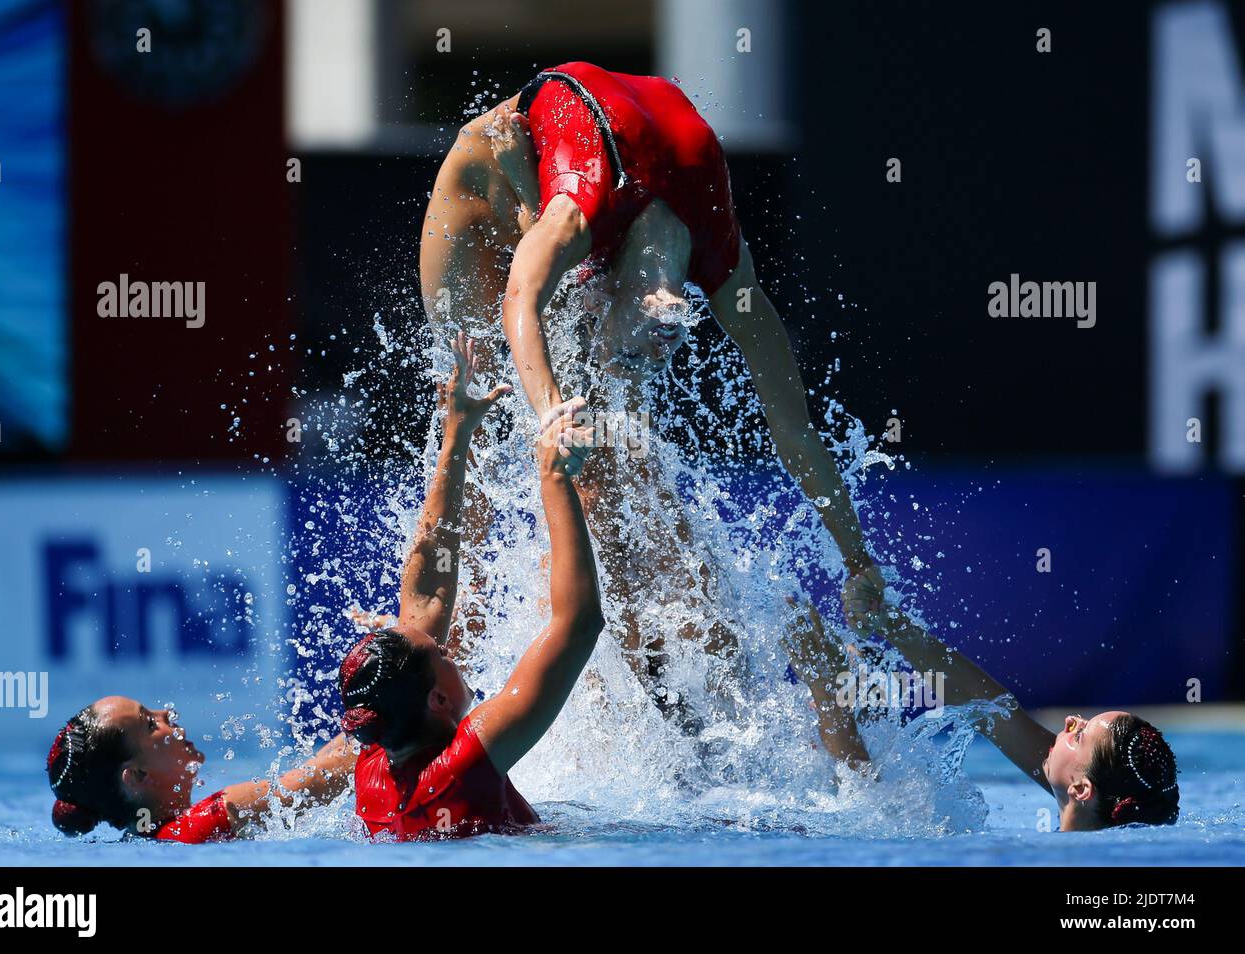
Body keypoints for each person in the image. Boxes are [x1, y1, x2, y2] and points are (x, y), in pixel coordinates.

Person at [420, 60, 882, 712]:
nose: (619, 367)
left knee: (617, 472)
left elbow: (794, 426)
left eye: (636, 360)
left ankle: (666, 707)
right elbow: (520, 297)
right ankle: (429, 682)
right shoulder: (580, 207)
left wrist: (858, 562)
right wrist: (553, 413)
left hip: (611, 195)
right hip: (491, 176)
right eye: (628, 352)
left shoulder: (724, 266)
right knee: (476, 430)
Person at [339, 334, 605, 839]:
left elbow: (427, 597)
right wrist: (553, 478)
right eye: (442, 652)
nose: (444, 640)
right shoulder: (462, 763)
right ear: (438, 701)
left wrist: (455, 435)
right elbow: (578, 625)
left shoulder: (378, 752)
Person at [841, 576, 1180, 829]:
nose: (1071, 721)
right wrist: (888, 622)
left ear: (1081, 788)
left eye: (1080, 734)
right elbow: (990, 708)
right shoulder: (1093, 812)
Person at [45, 697, 356, 842]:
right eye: (151, 723)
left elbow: (315, 771)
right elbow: (329, 774)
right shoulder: (214, 816)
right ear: (138, 777)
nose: (165, 712)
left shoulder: (156, 837)